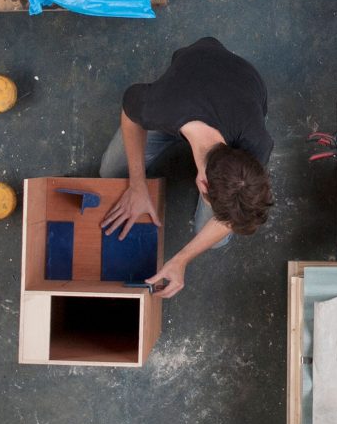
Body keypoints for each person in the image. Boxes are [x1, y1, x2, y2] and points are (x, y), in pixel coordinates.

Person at [98, 38, 274, 299]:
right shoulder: (157, 109)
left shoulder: (256, 141)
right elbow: (129, 113)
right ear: (202, 184)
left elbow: (234, 217)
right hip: (197, 63)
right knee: (110, 172)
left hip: (243, 84)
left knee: (220, 234)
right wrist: (137, 186)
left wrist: (181, 260)